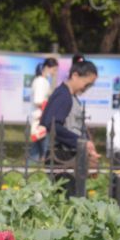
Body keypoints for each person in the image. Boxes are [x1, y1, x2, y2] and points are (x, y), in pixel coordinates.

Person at [40, 55, 100, 196]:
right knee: (70, 201)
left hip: (68, 156)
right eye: (87, 83)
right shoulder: (63, 96)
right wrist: (79, 141)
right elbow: (51, 124)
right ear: (75, 75)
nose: (87, 88)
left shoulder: (68, 95)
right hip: (62, 157)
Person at [29, 57, 58, 161]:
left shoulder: (43, 81)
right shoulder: (41, 81)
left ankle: (30, 171)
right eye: (54, 70)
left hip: (41, 118)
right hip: (40, 119)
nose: (55, 73)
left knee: (36, 149)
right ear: (47, 68)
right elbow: (38, 101)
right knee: (46, 149)